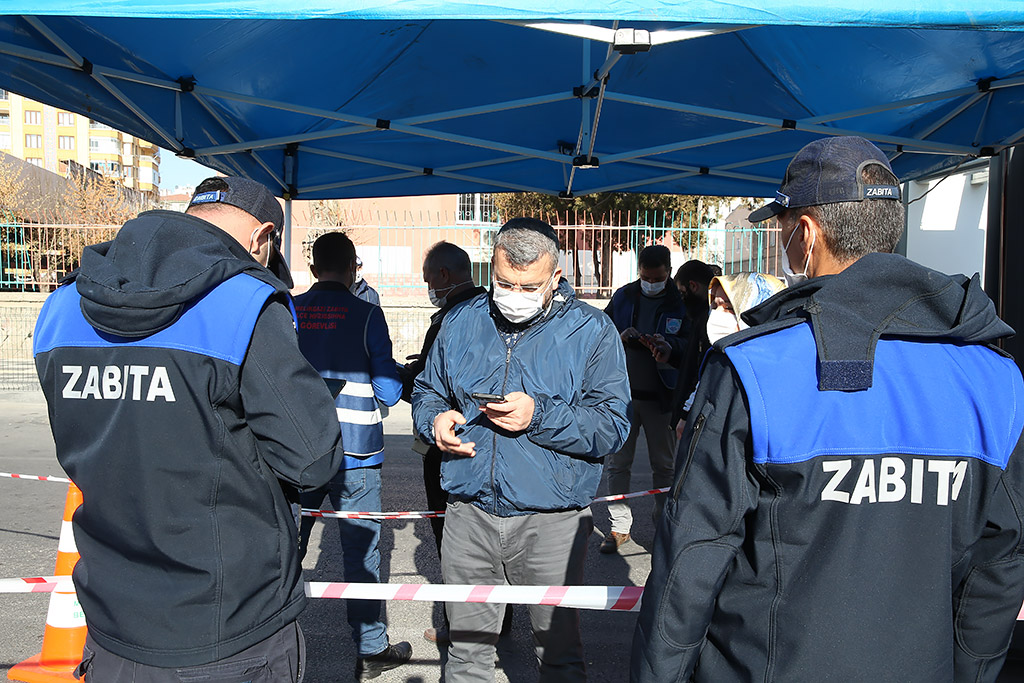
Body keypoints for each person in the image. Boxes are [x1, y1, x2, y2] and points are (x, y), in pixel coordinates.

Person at [632, 136, 1024, 683]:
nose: (781, 238)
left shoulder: (757, 367)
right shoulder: (995, 376)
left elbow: (693, 556)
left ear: (807, 232)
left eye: (781, 225)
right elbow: (998, 564)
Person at [32, 176, 347, 681]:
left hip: (113, 618)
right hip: (229, 625)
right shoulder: (242, 302)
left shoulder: (63, 305)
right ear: (261, 238)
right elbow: (313, 460)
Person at [412, 217, 631, 682]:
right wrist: (434, 419)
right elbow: (428, 389)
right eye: (503, 282)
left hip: (552, 521)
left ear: (556, 277)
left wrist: (540, 417)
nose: (513, 295)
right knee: (467, 656)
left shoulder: (593, 332)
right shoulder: (460, 321)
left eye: (527, 286)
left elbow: (612, 427)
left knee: (558, 655)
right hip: (469, 514)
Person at [293, 231, 412, 681]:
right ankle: (371, 647)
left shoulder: (288, 312)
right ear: (352, 268)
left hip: (298, 451)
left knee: (286, 546)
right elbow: (388, 389)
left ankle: (267, 634)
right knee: (361, 552)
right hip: (357, 453)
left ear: (312, 269)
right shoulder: (367, 315)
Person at [398, 241, 487, 643]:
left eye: (428, 279)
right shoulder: (489, 310)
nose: (427, 286)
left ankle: (465, 625)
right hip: (485, 441)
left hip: (449, 441)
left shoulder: (454, 317)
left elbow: (433, 385)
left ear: (444, 276)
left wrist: (402, 375)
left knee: (452, 537)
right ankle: (491, 620)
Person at [601, 245, 689, 554]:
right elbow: (601, 329)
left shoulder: (679, 302)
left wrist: (670, 345)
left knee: (664, 467)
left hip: (662, 398)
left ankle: (663, 528)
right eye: (646, 277)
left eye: (657, 277)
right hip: (624, 397)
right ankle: (618, 528)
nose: (651, 282)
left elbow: (690, 343)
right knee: (618, 465)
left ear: (669, 272)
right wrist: (620, 336)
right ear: (639, 271)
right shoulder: (625, 296)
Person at [669, 259, 715, 435]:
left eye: (682, 292)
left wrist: (686, 414)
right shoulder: (698, 319)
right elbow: (691, 363)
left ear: (693, 286)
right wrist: (671, 355)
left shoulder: (709, 321)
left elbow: (704, 373)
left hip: (695, 418)